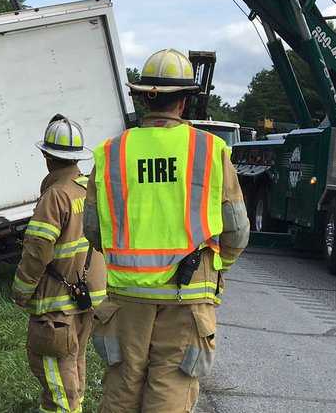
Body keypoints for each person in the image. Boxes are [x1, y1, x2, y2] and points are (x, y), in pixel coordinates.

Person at [84, 49, 250, 413]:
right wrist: (218, 265)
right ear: (186, 100)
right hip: (187, 300)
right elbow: (237, 230)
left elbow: (94, 231)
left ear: (144, 97)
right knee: (170, 394)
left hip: (126, 301)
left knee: (120, 392)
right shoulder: (211, 150)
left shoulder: (111, 152)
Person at [11, 114, 108, 413]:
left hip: (56, 306)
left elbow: (37, 252)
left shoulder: (54, 196)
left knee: (55, 374)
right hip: (88, 298)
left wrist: (20, 291)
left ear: (47, 156)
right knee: (74, 359)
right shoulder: (89, 189)